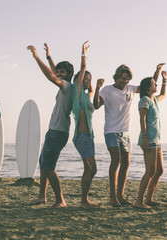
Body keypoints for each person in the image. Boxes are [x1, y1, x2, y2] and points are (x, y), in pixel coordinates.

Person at [27, 44, 74, 208]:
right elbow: (54, 72)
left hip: (58, 132)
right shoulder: (66, 85)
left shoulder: (67, 86)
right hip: (54, 130)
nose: (58, 74)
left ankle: (60, 200)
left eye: (62, 72)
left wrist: (36, 57)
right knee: (43, 162)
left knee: (48, 165)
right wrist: (48, 56)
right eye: (59, 71)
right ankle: (42, 196)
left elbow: (50, 76)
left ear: (68, 75)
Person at [93, 64, 139, 206]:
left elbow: (147, 86)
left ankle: (120, 195)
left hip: (125, 132)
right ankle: (113, 197)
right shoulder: (107, 90)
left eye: (127, 79)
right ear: (117, 76)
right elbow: (96, 105)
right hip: (111, 131)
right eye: (123, 78)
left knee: (126, 163)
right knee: (116, 160)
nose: (125, 81)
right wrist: (97, 88)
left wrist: (157, 74)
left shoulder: (130, 89)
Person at [134, 64, 167, 209]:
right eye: (154, 83)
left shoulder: (154, 100)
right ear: (148, 88)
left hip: (157, 139)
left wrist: (164, 79)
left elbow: (163, 94)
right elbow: (142, 120)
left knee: (159, 171)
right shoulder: (144, 101)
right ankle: (139, 201)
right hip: (149, 139)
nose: (156, 84)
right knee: (150, 171)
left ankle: (149, 198)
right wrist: (145, 138)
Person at [70, 41, 99, 209]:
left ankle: (84, 199)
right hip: (81, 137)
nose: (87, 82)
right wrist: (83, 53)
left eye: (89, 80)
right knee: (90, 169)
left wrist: (96, 84)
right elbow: (82, 70)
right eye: (85, 80)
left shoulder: (87, 98)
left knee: (91, 169)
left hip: (89, 137)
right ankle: (83, 201)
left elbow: (92, 92)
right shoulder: (77, 92)